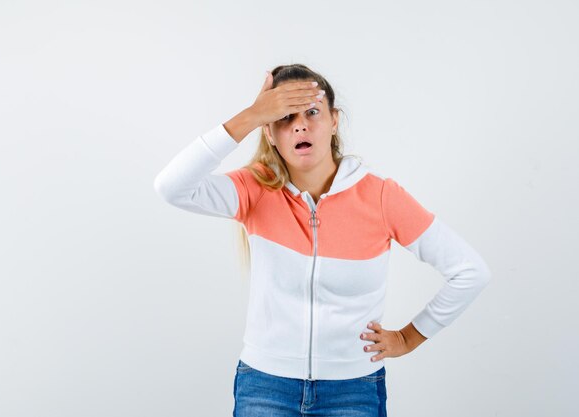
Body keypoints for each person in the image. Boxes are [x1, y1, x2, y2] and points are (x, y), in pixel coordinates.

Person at [153, 64, 492, 417]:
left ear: (334, 121)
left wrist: (409, 337)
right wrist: (251, 116)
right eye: (284, 116)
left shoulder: (380, 197)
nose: (300, 124)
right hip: (265, 385)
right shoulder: (255, 189)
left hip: (353, 390)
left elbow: (470, 271)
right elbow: (171, 187)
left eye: (312, 112)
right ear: (269, 133)